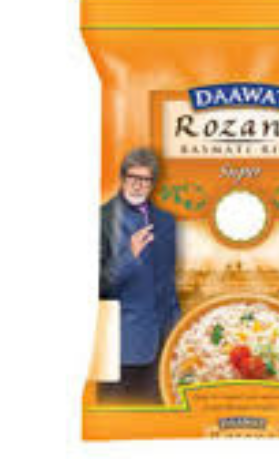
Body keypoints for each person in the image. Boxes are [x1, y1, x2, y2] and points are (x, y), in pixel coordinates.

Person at [97, 148, 180, 403]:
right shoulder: (102, 219)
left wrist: (177, 329)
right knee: (119, 416)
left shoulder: (166, 221)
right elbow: (99, 287)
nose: (138, 185)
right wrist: (129, 255)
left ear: (153, 183)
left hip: (164, 343)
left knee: (158, 418)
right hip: (121, 346)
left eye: (145, 180)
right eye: (133, 178)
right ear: (123, 178)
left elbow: (167, 282)